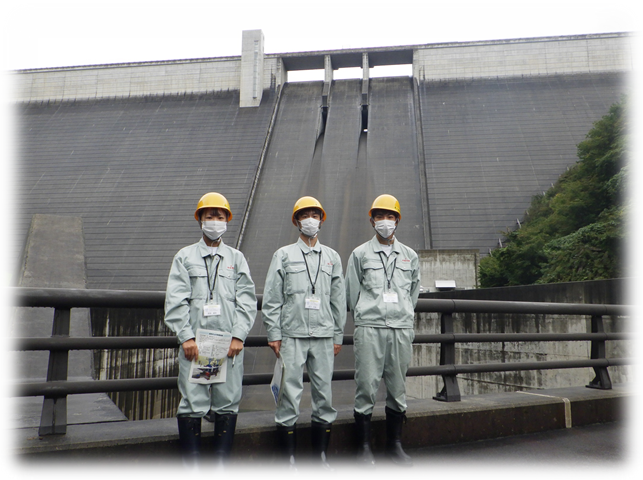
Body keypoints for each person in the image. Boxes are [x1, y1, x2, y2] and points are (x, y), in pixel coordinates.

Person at [164, 192, 257, 480]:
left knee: (227, 401)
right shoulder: (184, 257)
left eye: (219, 217)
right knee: (192, 401)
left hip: (227, 345)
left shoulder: (236, 259)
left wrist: (239, 336)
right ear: (200, 220)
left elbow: (247, 301)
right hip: (196, 345)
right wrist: (186, 337)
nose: (214, 222)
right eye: (209, 216)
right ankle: (191, 468)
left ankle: (220, 466)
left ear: (227, 220)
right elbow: (176, 300)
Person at [262, 196, 346, 479]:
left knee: (325, 396)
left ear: (321, 219)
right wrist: (274, 332)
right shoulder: (283, 255)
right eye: (305, 214)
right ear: (296, 220)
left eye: (315, 214)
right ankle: (289, 462)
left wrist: (338, 334)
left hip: (323, 335)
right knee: (289, 395)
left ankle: (320, 458)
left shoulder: (332, 257)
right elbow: (273, 297)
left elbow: (338, 299)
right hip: (292, 336)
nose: (310, 218)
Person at [345, 194, 421, 470]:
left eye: (390, 217)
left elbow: (413, 293)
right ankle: (363, 447)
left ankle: (394, 444)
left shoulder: (409, 256)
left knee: (398, 387)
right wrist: (368, 313)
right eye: (379, 216)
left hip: (400, 328)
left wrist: (402, 313)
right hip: (370, 328)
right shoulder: (360, 254)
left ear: (398, 220)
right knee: (366, 385)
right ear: (372, 220)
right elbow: (351, 293)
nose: (385, 222)